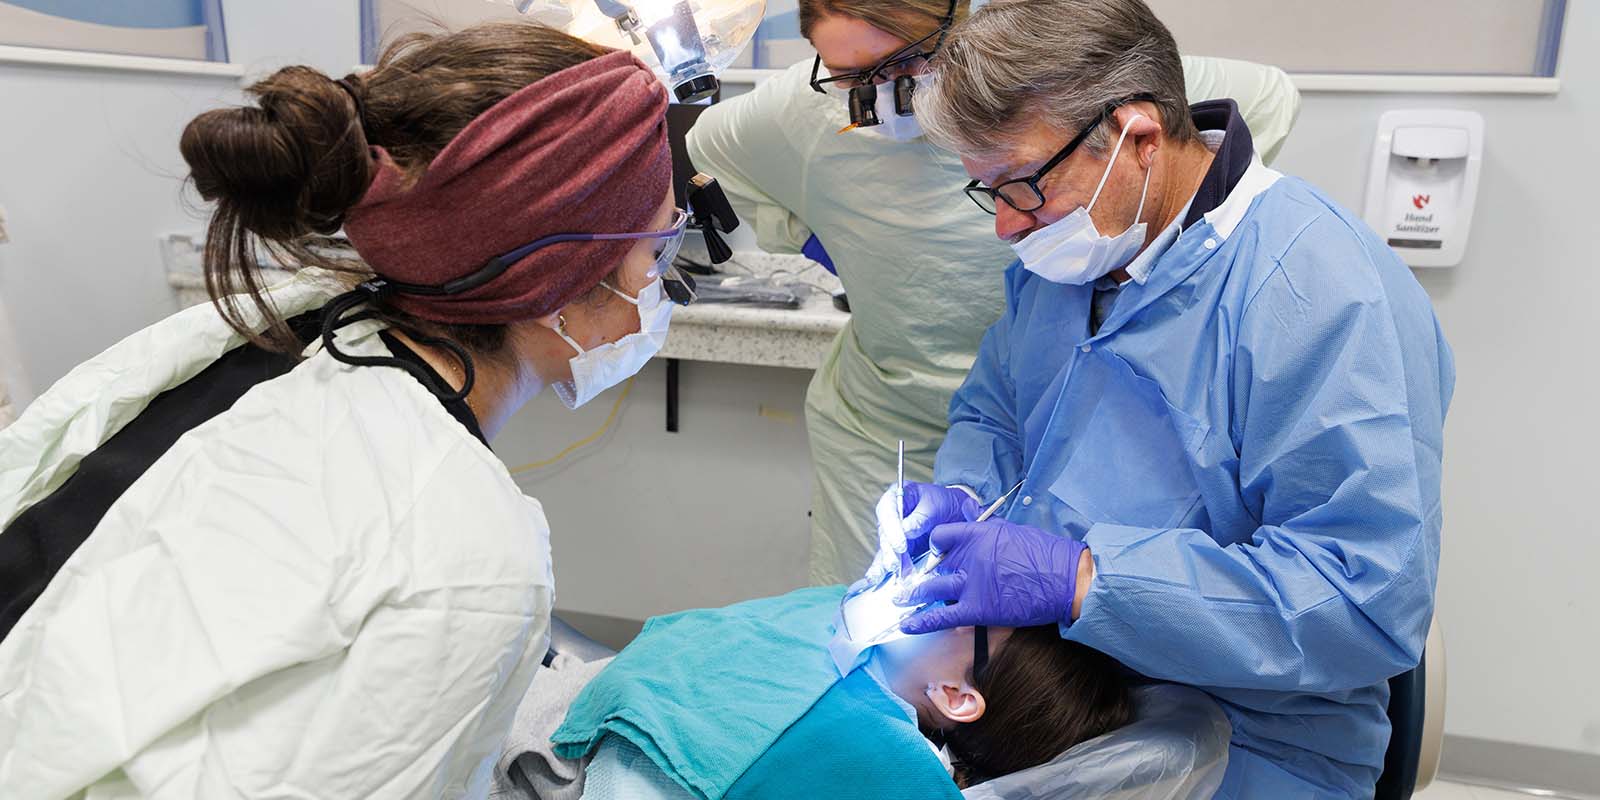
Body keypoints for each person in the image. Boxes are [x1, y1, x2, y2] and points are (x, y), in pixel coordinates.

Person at [0, 22, 697, 797]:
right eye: (658, 247)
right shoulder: (471, 552)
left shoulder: (281, 331)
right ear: (557, 277)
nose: (662, 279)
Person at [870, 1, 1455, 797]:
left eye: (1022, 188)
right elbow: (996, 411)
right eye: (987, 191)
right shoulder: (1069, 260)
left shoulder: (1326, 295)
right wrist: (966, 499)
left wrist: (1084, 580)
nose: (1007, 227)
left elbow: (1360, 603)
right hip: (1063, 698)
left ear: (1138, 140)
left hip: (1257, 735)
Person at [686, 0, 1303, 586]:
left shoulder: (1055, 79)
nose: (1005, 228)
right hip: (892, 428)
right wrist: (811, 234)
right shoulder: (802, 116)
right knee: (891, 650)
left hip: (1066, 420)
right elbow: (703, 155)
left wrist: (1161, 233)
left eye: (904, 66)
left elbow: (1264, 100)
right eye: (852, 81)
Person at [504, 587, 1133, 799]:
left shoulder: (898, 761)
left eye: (968, 607)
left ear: (956, 695)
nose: (947, 587)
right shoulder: (856, 623)